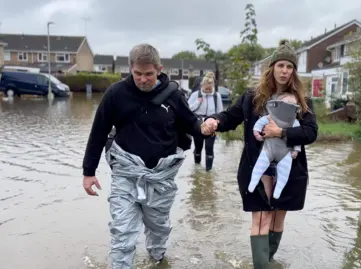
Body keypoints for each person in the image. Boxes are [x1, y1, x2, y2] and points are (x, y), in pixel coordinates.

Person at [81, 43, 214, 269]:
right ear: (130, 69)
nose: (143, 79)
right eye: (138, 74)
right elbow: (98, 131)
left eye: (149, 74)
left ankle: (158, 260)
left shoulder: (174, 95)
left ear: (159, 69)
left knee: (158, 229)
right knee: (122, 231)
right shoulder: (116, 94)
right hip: (125, 173)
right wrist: (88, 172)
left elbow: (190, 123)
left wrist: (204, 127)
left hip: (161, 177)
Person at [203, 39, 318, 268]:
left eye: (289, 67)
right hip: (257, 164)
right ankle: (260, 265)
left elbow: (311, 133)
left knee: (278, 216)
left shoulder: (302, 101)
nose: (284, 71)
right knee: (261, 216)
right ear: (272, 68)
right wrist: (214, 121)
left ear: (294, 71)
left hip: (288, 167)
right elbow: (230, 116)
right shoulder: (252, 97)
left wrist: (282, 132)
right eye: (280, 65)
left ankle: (268, 259)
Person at [249, 92, 302, 199]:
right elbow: (259, 123)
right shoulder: (270, 117)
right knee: (259, 166)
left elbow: (298, 137)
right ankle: (253, 182)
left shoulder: (295, 122)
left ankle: (278, 190)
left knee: (284, 172)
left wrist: (296, 150)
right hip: (269, 148)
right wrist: (256, 132)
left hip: (286, 152)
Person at [187, 71, 223, 171]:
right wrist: (198, 101)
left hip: (212, 124)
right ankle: (197, 170)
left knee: (209, 148)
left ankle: (208, 172)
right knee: (198, 148)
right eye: (206, 88)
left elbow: (220, 112)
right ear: (202, 85)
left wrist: (219, 127)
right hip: (198, 123)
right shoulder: (195, 95)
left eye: (209, 88)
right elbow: (188, 109)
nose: (207, 90)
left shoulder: (217, 96)